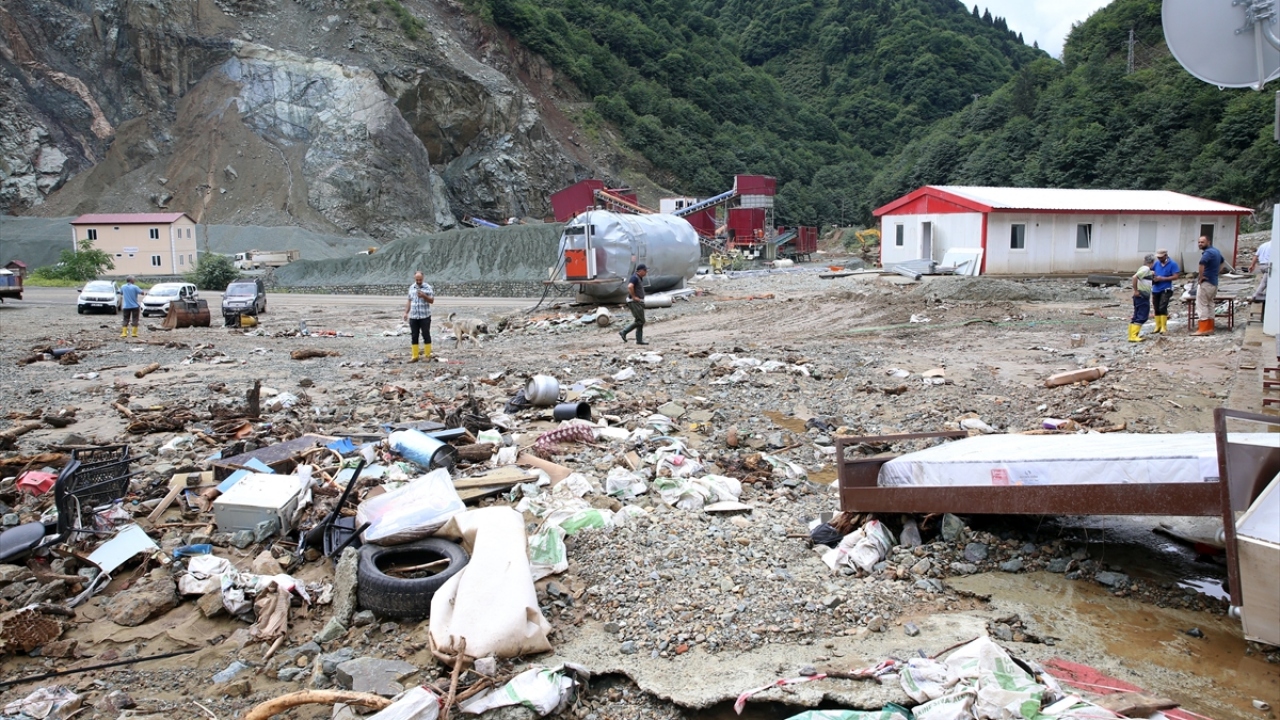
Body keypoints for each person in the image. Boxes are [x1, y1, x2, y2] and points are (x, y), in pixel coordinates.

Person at [1191, 235, 1225, 336]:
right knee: (1210, 304)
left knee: (1202, 304)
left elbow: (1201, 263)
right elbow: (1222, 262)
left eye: (1202, 242)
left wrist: (1201, 277)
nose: (1200, 244)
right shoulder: (1216, 251)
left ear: (1208, 242)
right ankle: (1210, 327)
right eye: (1199, 242)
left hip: (1206, 282)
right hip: (1214, 282)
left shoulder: (1208, 253)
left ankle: (1203, 328)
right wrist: (1216, 273)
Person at [402, 271, 434, 362]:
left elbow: (432, 301)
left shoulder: (428, 287)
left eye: (420, 280)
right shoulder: (411, 287)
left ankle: (427, 355)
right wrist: (406, 312)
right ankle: (415, 356)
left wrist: (424, 296)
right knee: (414, 336)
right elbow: (409, 301)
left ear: (423, 278)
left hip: (425, 316)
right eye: (417, 280)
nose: (419, 281)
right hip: (414, 317)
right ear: (414, 278)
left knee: (426, 335)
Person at [1150, 249, 1180, 334]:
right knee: (1156, 307)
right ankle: (1157, 326)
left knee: (1162, 307)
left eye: (1161, 257)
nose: (1159, 259)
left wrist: (1163, 278)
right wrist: (1152, 274)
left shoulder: (1173, 264)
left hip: (1166, 288)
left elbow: (1176, 276)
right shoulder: (1156, 263)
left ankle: (1164, 326)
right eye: (1158, 257)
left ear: (1166, 256)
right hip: (1156, 288)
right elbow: (1150, 270)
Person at [618, 264, 649, 345]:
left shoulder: (638, 278)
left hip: (638, 302)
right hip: (634, 302)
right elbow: (630, 286)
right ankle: (624, 331)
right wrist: (634, 297)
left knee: (639, 320)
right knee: (640, 320)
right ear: (640, 271)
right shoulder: (635, 277)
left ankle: (639, 339)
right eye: (645, 270)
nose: (646, 272)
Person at [1129, 254, 1155, 343]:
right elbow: (1135, 277)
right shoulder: (1146, 269)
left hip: (1140, 296)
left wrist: (1151, 273)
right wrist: (1136, 290)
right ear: (1152, 262)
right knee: (1142, 316)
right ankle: (1133, 336)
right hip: (1142, 295)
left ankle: (1132, 335)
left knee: (1136, 316)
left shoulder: (1144, 269)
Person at [1250, 238, 1271, 312]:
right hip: (1268, 265)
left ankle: (1264, 293)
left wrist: (1252, 265)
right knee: (1264, 282)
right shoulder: (1275, 245)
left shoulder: (1263, 245)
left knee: (1267, 280)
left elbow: (1256, 256)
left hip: (1262, 265)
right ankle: (1257, 294)